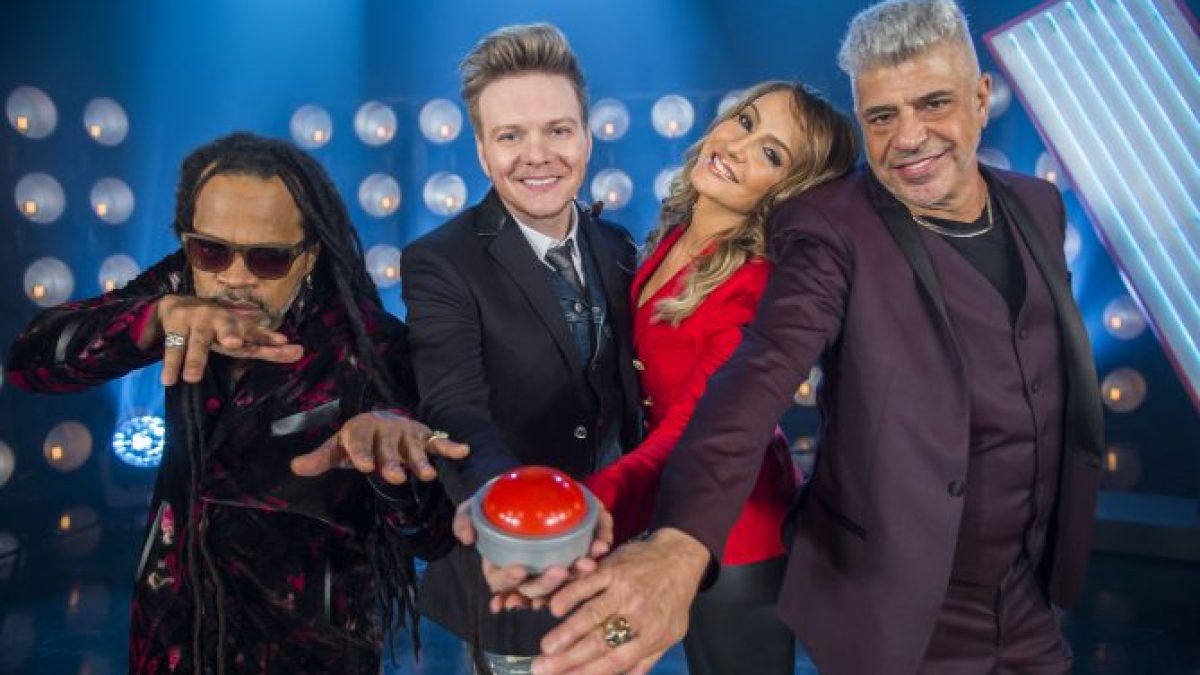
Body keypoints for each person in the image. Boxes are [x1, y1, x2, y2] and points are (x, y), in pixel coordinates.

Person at [532, 1, 1105, 674]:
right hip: (899, 601)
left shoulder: (1039, 204)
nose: (909, 137)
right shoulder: (830, 227)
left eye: (934, 104)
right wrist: (679, 540)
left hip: (1028, 596)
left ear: (981, 99)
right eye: (882, 116)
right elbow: (754, 380)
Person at [5, 133, 465, 674]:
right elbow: (29, 363)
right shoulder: (184, 287)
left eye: (268, 258)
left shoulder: (370, 347)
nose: (235, 277)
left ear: (310, 255)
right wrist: (152, 319)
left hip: (302, 653)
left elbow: (433, 537)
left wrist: (395, 466)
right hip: (171, 635)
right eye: (211, 250)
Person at [576, 81, 858, 675]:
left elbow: (692, 430)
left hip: (740, 530)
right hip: (669, 500)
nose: (736, 145)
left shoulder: (755, 288)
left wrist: (593, 501)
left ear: (790, 190)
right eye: (745, 121)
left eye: (772, 154)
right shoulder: (679, 231)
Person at [399, 23, 641, 674]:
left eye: (558, 130)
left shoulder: (619, 246)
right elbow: (455, 407)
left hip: (618, 559)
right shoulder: (439, 261)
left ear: (586, 137)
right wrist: (516, 523)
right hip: (509, 568)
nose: (538, 156)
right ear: (482, 151)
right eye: (510, 136)